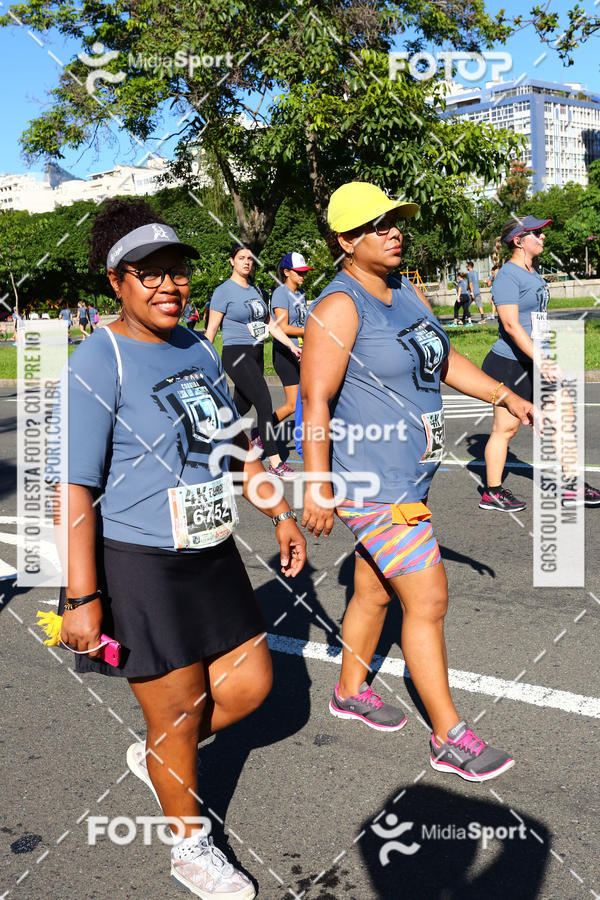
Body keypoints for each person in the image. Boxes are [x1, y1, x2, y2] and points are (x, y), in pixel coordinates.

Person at [59, 197, 306, 898]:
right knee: (176, 711)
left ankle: (160, 754)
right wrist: (80, 598)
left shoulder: (198, 347)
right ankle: (188, 848)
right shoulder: (97, 359)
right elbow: (75, 489)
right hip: (140, 564)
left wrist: (278, 514)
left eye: (177, 271)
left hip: (211, 551)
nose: (168, 285)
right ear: (116, 281)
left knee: (251, 685)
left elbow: (239, 443)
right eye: (149, 274)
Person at [301, 181, 535, 781]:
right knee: (427, 601)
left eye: (395, 220)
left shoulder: (406, 290)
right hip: (371, 482)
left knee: (376, 590)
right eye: (377, 225)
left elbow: (445, 358)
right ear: (345, 241)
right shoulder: (339, 306)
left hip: (411, 473)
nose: (394, 231)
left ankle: (350, 689)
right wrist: (318, 483)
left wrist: (504, 393)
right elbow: (315, 399)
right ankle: (449, 736)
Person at [480, 215, 600, 511]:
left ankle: (572, 487)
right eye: (536, 233)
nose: (543, 237)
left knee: (563, 421)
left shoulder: (532, 272)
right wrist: (541, 359)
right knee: (505, 430)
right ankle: (492, 492)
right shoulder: (507, 275)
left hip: (537, 360)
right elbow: (510, 325)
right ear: (518, 241)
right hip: (512, 364)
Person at [205, 244, 302, 480]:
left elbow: (271, 324)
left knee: (241, 405)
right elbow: (211, 331)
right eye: (241, 258)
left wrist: (290, 345)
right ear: (232, 261)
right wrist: (203, 362)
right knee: (264, 401)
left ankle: (210, 437)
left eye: (250, 258)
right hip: (236, 354)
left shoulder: (255, 289)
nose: (247, 262)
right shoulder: (223, 291)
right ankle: (276, 463)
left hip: (256, 353)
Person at [270, 252, 311, 433]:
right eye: (299, 272)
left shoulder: (301, 294)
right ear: (287, 272)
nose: (303, 276)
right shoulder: (280, 293)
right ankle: (262, 430)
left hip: (302, 351)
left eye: (304, 272)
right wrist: (311, 330)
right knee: (293, 405)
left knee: (307, 400)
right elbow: (283, 327)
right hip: (285, 353)